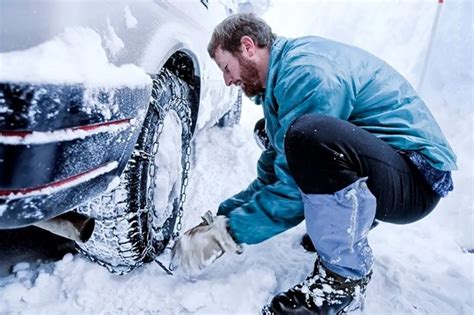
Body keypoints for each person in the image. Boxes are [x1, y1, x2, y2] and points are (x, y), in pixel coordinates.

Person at [170, 13, 457, 314]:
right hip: (391, 167)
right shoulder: (281, 82)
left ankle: (342, 281)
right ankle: (344, 222)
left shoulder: (306, 73)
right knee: (292, 139)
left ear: (248, 46)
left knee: (308, 139)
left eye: (226, 67)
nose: (228, 80)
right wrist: (219, 219)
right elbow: (273, 174)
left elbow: (292, 188)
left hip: (416, 178)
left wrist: (226, 236)